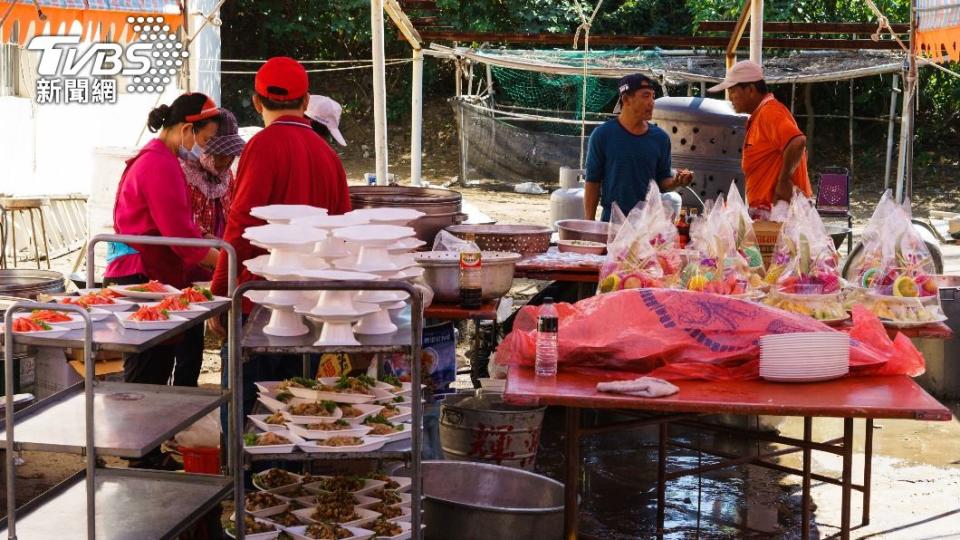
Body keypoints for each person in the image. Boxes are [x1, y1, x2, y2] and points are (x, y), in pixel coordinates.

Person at [208, 56, 351, 414]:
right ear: (305, 103)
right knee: (297, 407)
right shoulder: (328, 155)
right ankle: (289, 470)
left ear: (256, 103)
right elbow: (343, 233)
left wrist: (218, 291)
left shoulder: (262, 145)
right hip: (311, 303)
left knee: (246, 410)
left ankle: (246, 472)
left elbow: (240, 226)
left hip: (258, 301)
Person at [105, 92, 221, 385]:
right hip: (143, 277)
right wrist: (224, 264)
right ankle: (138, 432)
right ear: (186, 130)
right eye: (204, 140)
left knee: (153, 371)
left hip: (147, 273)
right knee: (148, 376)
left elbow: (179, 227)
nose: (203, 149)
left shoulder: (158, 158)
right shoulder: (160, 164)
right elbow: (179, 234)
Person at [584, 74, 694, 222]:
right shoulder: (603, 135)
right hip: (612, 222)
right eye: (646, 96)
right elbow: (592, 182)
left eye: (653, 96)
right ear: (626, 99)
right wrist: (589, 224)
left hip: (647, 224)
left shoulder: (660, 138)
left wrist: (677, 182)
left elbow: (662, 181)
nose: (652, 102)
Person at [708, 60, 811, 212]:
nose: (730, 98)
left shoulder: (770, 113)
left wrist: (783, 182)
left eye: (732, 91)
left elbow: (797, 142)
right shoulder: (760, 115)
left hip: (782, 216)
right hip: (769, 216)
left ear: (750, 89)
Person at [181, 108, 246, 241]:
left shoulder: (226, 177)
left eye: (231, 153)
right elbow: (180, 223)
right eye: (219, 153)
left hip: (223, 250)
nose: (227, 159)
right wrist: (211, 242)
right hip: (198, 253)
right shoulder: (183, 177)